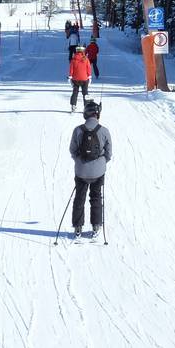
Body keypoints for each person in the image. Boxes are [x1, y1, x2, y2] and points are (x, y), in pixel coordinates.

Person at [68, 99, 112, 238]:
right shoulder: (104, 131)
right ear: (97, 114)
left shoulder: (78, 130)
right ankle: (96, 226)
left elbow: (72, 150)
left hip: (81, 171)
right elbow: (109, 153)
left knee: (79, 198)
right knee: (96, 197)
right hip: (98, 172)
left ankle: (78, 228)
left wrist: (79, 161)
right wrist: (101, 163)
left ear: (85, 114)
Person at [68, 45, 92, 113]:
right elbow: (89, 68)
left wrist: (70, 76)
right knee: (85, 93)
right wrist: (89, 77)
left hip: (75, 79)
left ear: (76, 51)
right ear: (83, 51)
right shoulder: (86, 59)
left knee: (75, 92)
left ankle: (73, 106)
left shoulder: (73, 59)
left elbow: (71, 69)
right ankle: (86, 107)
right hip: (84, 79)